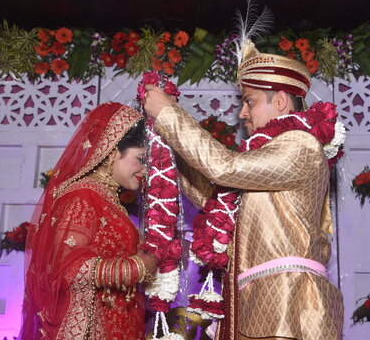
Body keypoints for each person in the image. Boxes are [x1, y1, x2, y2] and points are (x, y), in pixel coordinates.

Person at [143, 39, 344, 339]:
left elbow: (224, 168)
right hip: (253, 302)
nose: (242, 114)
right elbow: (212, 194)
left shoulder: (300, 145)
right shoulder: (266, 158)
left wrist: (169, 115)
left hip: (291, 305)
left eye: (249, 102)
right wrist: (170, 145)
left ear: (280, 101)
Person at [19, 102, 158, 340]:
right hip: (88, 327)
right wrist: (137, 268)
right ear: (112, 152)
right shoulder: (82, 197)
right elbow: (69, 270)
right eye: (140, 159)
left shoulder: (107, 198)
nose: (145, 170)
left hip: (114, 322)